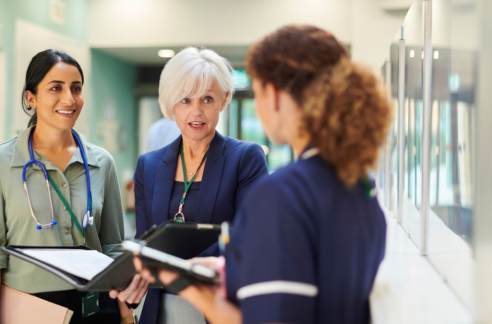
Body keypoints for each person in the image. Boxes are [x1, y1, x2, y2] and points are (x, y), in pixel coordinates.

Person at [135, 25, 393, 324]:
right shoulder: (360, 185)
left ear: (273, 95)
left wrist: (180, 278)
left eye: (256, 92)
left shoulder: (284, 194)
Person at [0, 49, 147, 324]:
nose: (69, 99)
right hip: (31, 309)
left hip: (98, 306)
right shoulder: (3, 163)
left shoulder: (102, 162)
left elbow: (112, 245)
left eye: (76, 88)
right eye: (56, 88)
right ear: (30, 98)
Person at [129, 47, 268, 324]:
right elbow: (145, 242)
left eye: (207, 99)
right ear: (170, 104)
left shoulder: (245, 159)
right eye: (185, 100)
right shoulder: (150, 165)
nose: (196, 111)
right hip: (160, 309)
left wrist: (177, 267)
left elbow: (250, 240)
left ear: (224, 99)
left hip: (219, 306)